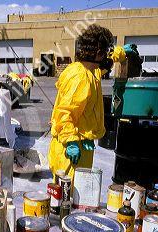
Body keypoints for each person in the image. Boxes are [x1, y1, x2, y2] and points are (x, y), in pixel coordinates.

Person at [48, 24, 139, 180]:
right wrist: (72, 142)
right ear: (98, 53)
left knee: (79, 197)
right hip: (70, 153)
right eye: (105, 51)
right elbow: (65, 113)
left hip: (82, 144)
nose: (106, 55)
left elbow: (110, 59)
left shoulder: (91, 70)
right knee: (66, 198)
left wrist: (121, 52)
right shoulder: (81, 77)